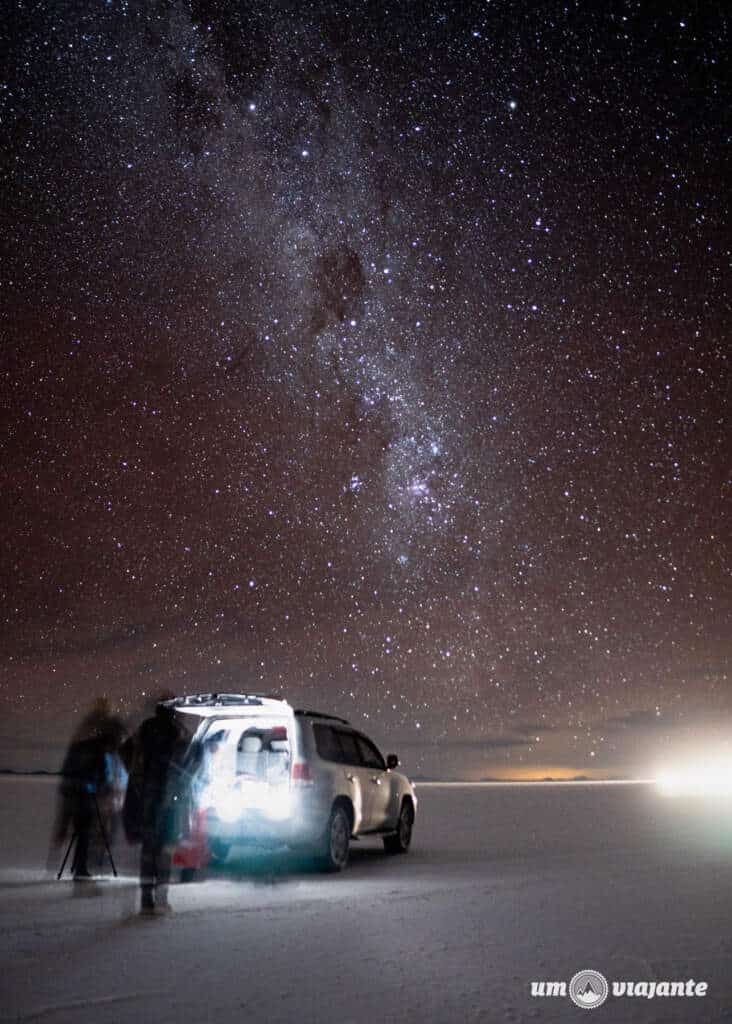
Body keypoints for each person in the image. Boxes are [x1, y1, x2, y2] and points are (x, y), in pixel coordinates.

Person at [121, 696, 191, 916]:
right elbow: (187, 761)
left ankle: (146, 898)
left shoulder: (146, 729)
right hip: (169, 801)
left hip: (146, 800)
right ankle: (161, 899)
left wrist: (134, 774)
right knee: (164, 851)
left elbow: (125, 750)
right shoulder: (176, 732)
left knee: (148, 850)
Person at [53, 698, 126, 880]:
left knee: (80, 831)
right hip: (86, 795)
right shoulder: (101, 752)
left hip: (72, 791)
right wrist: (106, 789)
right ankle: (81, 868)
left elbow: (69, 768)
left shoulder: (82, 744)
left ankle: (79, 865)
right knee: (85, 832)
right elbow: (105, 776)